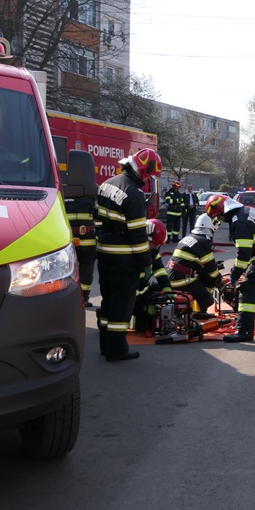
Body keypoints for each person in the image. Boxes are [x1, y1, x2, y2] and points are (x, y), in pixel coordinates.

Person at [96, 148, 162, 362]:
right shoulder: (134, 194)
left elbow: (96, 219)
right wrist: (146, 264)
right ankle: (116, 351)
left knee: (107, 301)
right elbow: (138, 236)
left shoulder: (107, 184)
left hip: (104, 254)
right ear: (144, 169)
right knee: (121, 306)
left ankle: (105, 345)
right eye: (149, 175)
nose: (148, 178)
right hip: (124, 260)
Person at [206, 195, 255, 342]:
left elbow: (243, 255)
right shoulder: (245, 210)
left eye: (219, 217)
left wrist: (234, 276)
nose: (220, 220)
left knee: (247, 290)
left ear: (223, 211)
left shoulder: (239, 222)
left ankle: (244, 331)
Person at [166, 213, 223, 314]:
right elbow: (211, 268)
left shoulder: (189, 237)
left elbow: (196, 263)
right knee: (207, 300)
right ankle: (194, 318)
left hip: (173, 276)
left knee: (205, 278)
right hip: (181, 280)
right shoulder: (203, 241)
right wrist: (220, 283)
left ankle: (191, 313)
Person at [131, 219, 173, 332]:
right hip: (128, 295)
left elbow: (160, 270)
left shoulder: (151, 252)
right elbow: (128, 286)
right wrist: (143, 304)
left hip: (142, 291)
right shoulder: (131, 255)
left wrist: (167, 287)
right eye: (154, 244)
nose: (156, 247)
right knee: (144, 326)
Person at [65, 191, 97, 306]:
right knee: (65, 270)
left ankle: (84, 297)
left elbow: (98, 217)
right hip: (67, 240)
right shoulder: (62, 193)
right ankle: (66, 297)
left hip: (88, 239)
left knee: (87, 271)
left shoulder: (93, 195)